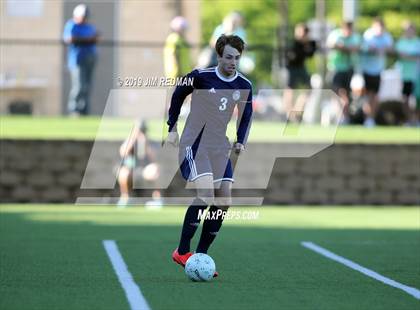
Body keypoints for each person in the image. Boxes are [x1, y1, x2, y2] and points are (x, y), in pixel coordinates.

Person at [165, 35, 253, 278]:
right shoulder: (201, 76)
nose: (233, 62)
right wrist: (172, 127)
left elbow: (246, 116)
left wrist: (240, 140)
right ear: (219, 56)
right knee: (205, 195)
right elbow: (177, 94)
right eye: (228, 57)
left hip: (218, 147)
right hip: (194, 145)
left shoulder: (244, 85)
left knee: (223, 202)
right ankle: (182, 251)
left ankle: (200, 255)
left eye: (237, 58)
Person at [63, 4, 99, 116]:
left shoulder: (89, 27)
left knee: (87, 86)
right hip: (77, 60)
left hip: (90, 58)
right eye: (83, 16)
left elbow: (95, 37)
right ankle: (74, 110)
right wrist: (86, 40)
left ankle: (84, 110)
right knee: (78, 86)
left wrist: (88, 39)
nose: (85, 18)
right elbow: (69, 39)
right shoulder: (71, 25)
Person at [117, 120, 161, 208]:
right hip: (131, 169)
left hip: (145, 170)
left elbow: (155, 159)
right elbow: (123, 153)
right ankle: (126, 198)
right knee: (123, 172)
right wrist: (133, 138)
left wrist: (145, 143)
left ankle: (157, 199)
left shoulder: (151, 142)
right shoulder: (130, 141)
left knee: (156, 170)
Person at [360, 17, 393, 127]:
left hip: (378, 70)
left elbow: (390, 48)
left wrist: (382, 49)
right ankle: (366, 118)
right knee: (367, 96)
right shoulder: (368, 35)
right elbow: (363, 48)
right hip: (366, 70)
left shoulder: (386, 37)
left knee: (375, 96)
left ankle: (371, 119)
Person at [326, 21, 361, 123]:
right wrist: (345, 48)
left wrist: (344, 48)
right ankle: (341, 116)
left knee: (347, 94)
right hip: (336, 68)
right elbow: (332, 45)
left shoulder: (354, 37)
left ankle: (343, 117)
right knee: (340, 93)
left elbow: (356, 47)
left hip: (349, 68)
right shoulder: (336, 35)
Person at [283, 23, 316, 122]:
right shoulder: (293, 43)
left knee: (308, 89)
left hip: (301, 67)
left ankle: (297, 110)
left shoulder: (308, 43)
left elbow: (310, 54)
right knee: (289, 90)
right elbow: (291, 57)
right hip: (291, 68)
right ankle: (289, 114)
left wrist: (307, 45)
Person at [395, 22, 420, 124]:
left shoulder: (417, 42)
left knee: (417, 99)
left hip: (416, 75)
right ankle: (410, 119)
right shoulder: (401, 42)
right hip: (404, 75)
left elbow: (414, 56)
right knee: (405, 99)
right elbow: (400, 55)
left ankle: (417, 119)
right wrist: (411, 56)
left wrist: (408, 56)